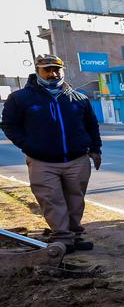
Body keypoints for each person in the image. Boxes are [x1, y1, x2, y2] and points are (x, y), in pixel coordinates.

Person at [1, 54, 102, 252]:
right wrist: (28, 146)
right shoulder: (20, 98)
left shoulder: (79, 98)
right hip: (42, 162)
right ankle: (63, 239)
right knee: (52, 200)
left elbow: (91, 125)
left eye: (56, 70)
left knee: (76, 200)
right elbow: (9, 125)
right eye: (47, 70)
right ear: (37, 72)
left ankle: (75, 236)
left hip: (77, 159)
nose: (53, 74)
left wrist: (95, 149)